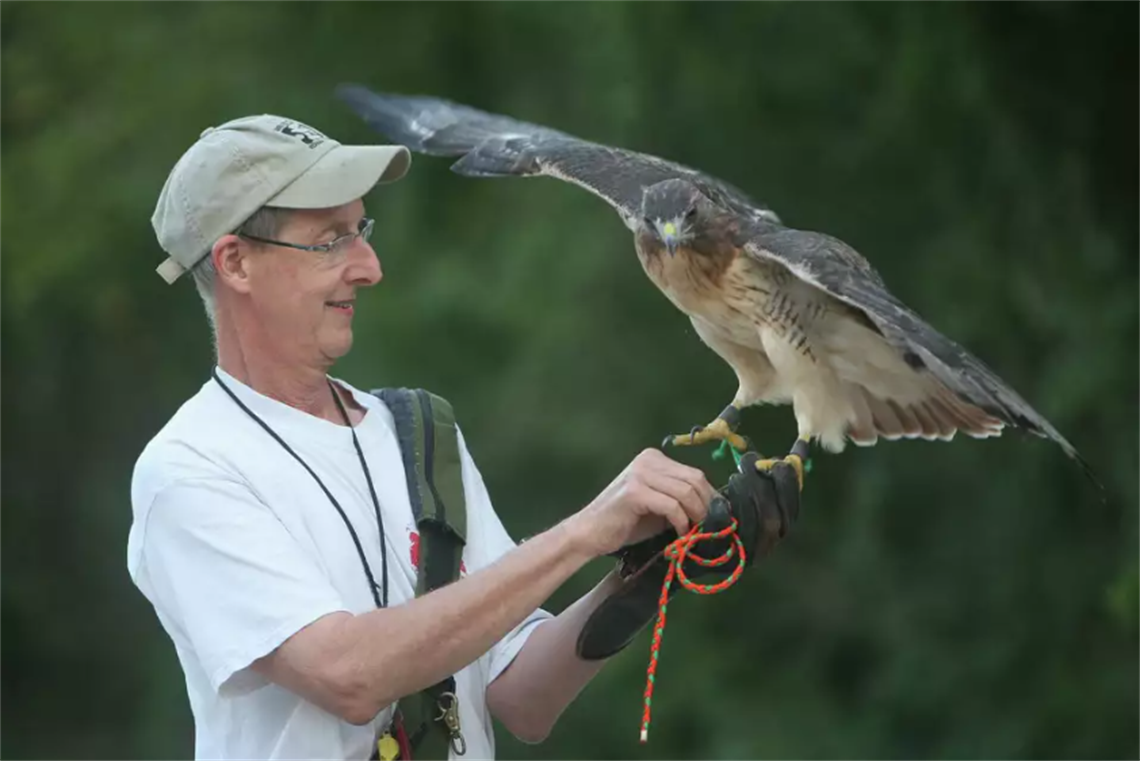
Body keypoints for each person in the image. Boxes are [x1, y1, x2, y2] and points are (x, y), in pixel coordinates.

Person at [127, 114, 800, 761]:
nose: (369, 266)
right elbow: (348, 675)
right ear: (236, 264)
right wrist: (584, 532)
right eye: (331, 239)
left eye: (362, 230)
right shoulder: (192, 469)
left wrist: (649, 575)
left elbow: (521, 699)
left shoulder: (418, 432)